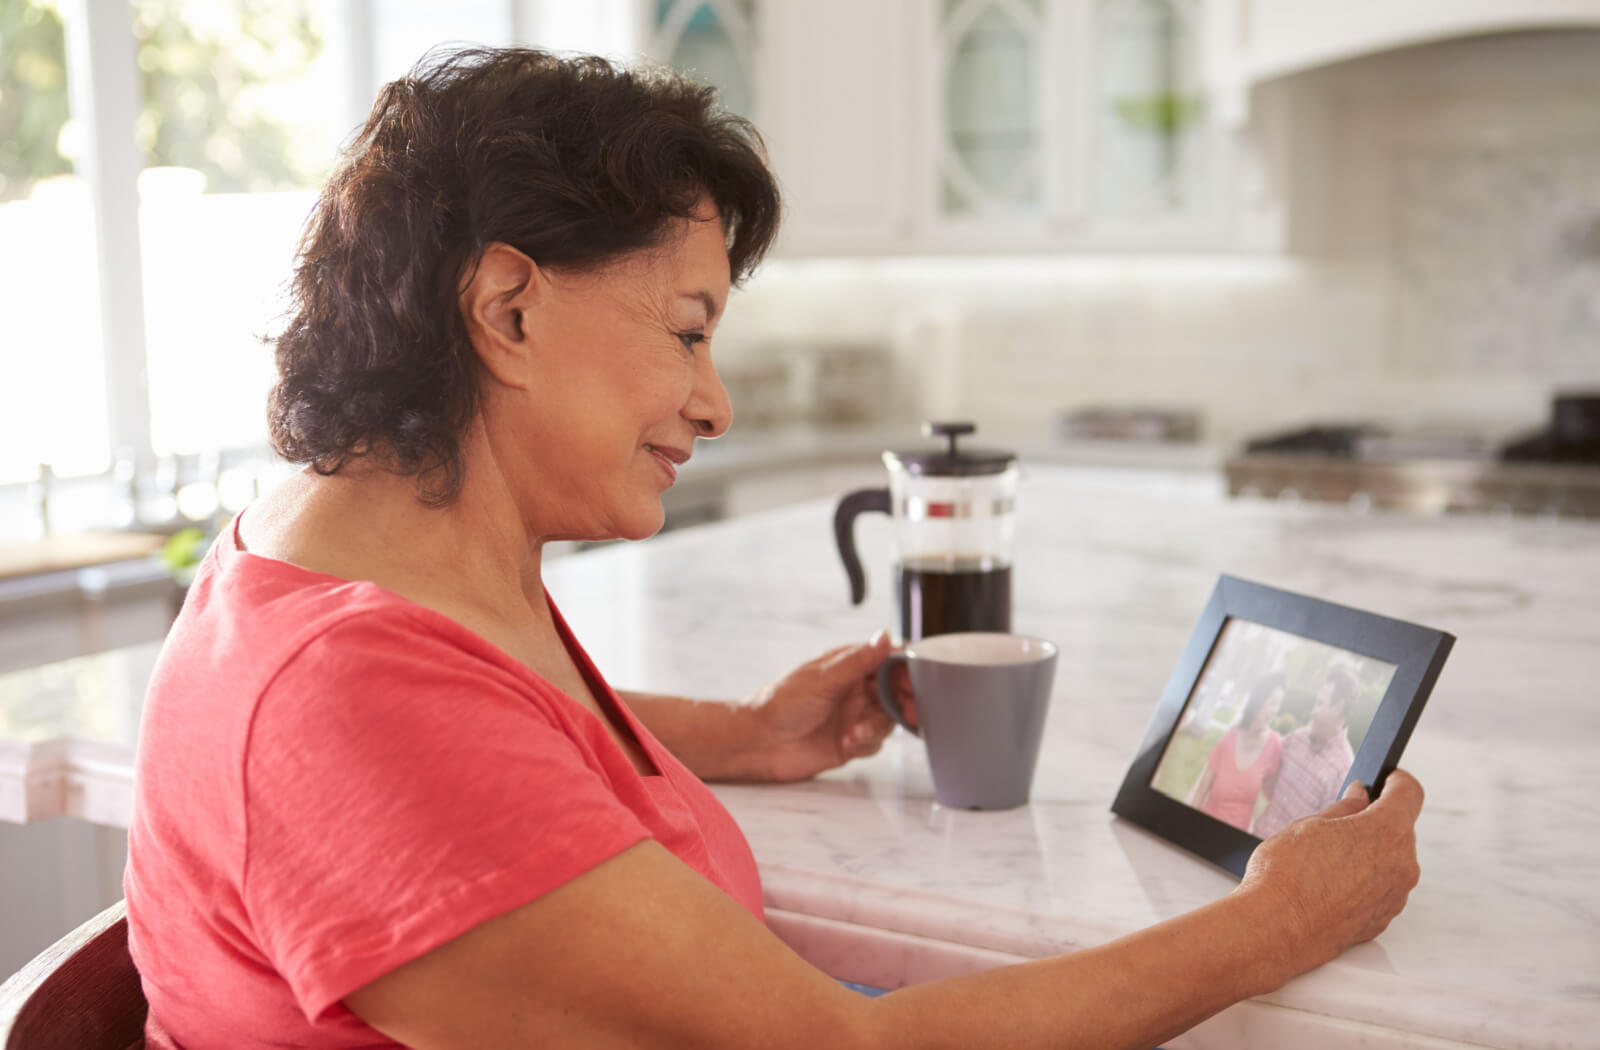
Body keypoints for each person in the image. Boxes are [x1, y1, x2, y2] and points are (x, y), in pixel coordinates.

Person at [124, 46, 1424, 1050]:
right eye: (688, 330)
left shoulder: (346, 562)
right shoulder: (344, 697)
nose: (716, 398)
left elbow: (478, 742)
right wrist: (1277, 924)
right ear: (509, 308)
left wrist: (745, 732)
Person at [1254, 667, 1361, 839]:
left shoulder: (1343, 770)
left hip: (1286, 861)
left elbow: (1324, 836)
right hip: (1255, 839)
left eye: (1320, 703)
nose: (1313, 712)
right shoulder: (1297, 738)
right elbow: (1264, 773)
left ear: (1338, 707)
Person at [1188, 672, 1285, 831]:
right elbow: (1203, 786)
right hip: (1204, 825)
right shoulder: (1230, 737)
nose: (1275, 710)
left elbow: (1272, 795)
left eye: (1278, 704)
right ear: (1258, 700)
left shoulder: (1274, 744)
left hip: (1234, 837)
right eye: (1272, 702)